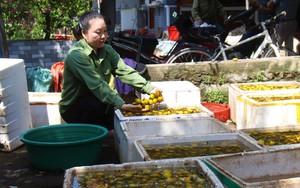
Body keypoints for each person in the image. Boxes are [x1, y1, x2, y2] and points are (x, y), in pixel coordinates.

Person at [59, 11, 161, 130]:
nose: (103, 36)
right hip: (75, 108)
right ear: (84, 33)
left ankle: (100, 134)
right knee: (97, 103)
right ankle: (86, 136)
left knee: (118, 121)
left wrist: (149, 88)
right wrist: (121, 104)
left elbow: (124, 71)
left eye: (105, 31)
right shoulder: (76, 56)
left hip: (100, 102)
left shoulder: (107, 50)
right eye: (98, 32)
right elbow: (97, 85)